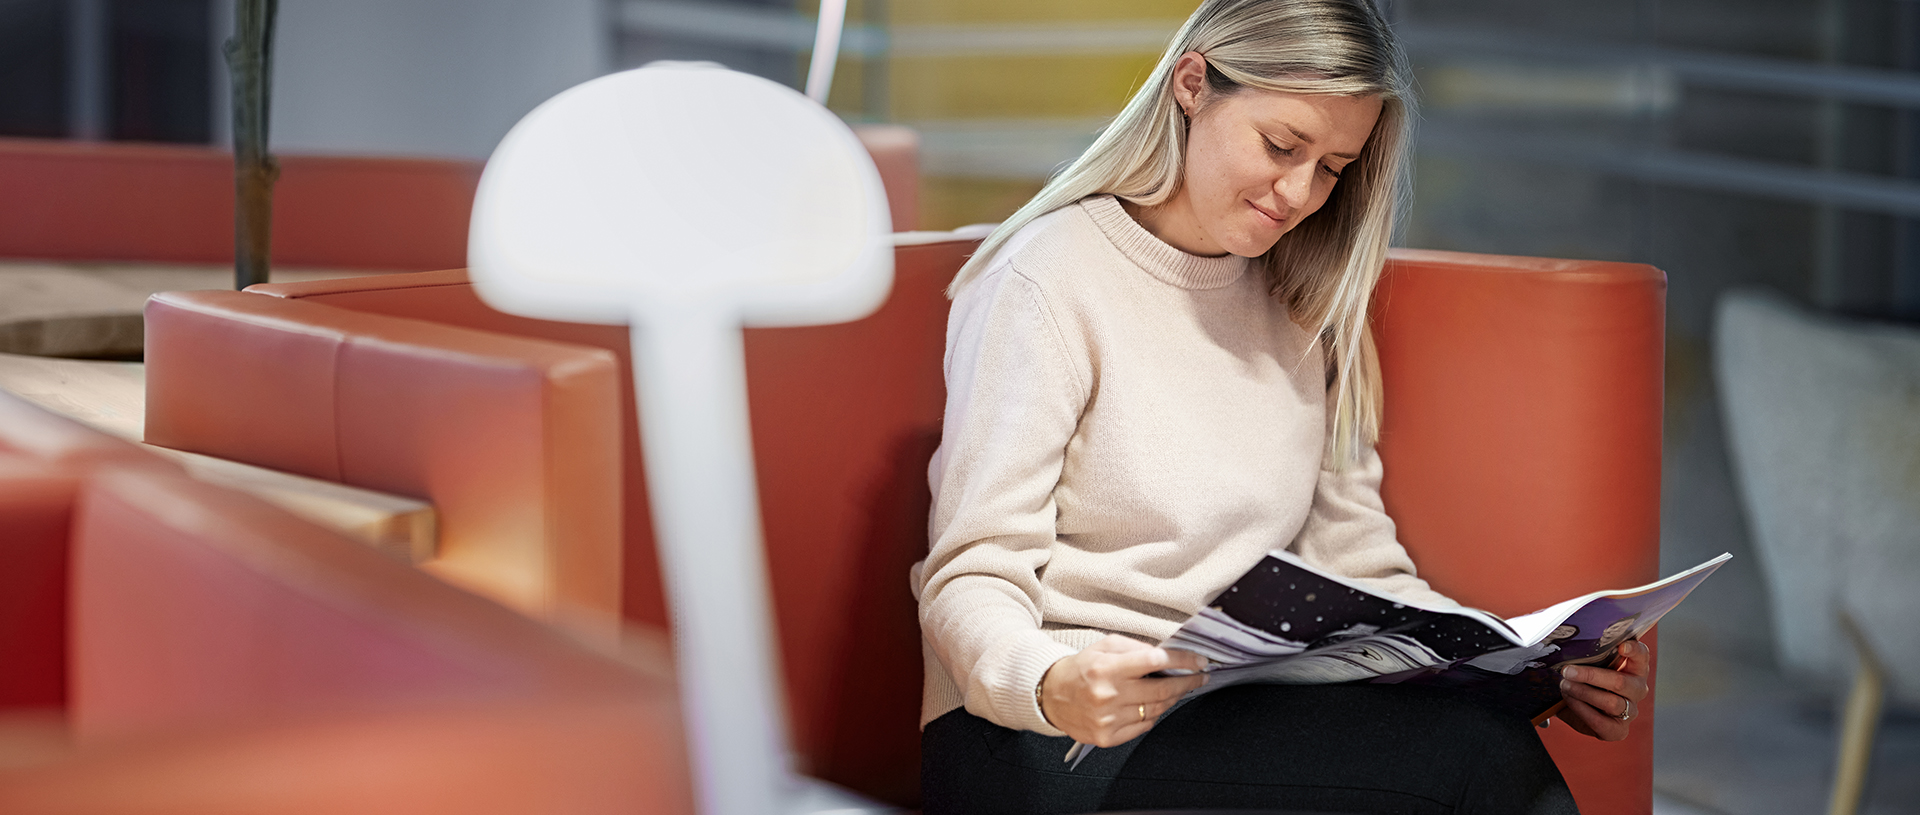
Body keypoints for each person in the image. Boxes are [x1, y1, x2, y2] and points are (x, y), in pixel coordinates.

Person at [909, 1, 1651, 813]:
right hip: (1045, 735)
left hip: (1222, 713)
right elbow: (970, 574)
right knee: (1480, 768)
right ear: (1192, 85)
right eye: (1281, 145)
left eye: (1333, 167)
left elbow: (1361, 566)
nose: (1300, 192)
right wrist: (1051, 680)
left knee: (1491, 743)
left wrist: (1531, 667)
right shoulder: (1048, 280)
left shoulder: (1302, 302)